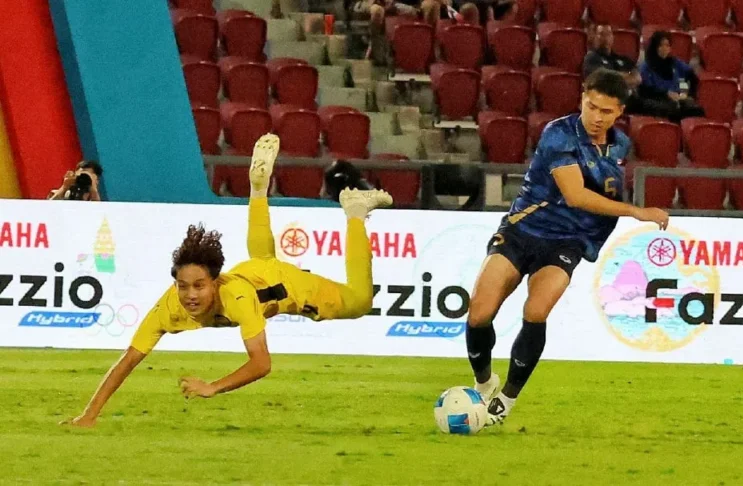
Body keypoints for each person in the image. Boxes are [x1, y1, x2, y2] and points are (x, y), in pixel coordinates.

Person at [62, 134, 393, 428]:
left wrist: (213, 387)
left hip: (290, 288)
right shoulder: (167, 308)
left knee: (360, 301)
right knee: (262, 256)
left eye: (199, 285)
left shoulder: (236, 298)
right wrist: (89, 414)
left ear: (215, 282)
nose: (190, 295)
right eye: (183, 286)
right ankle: (258, 190)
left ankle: (354, 213)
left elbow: (261, 364)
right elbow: (127, 362)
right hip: (258, 270)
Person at [465, 69, 670, 425]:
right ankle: (484, 384)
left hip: (566, 242)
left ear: (619, 112)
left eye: (606, 111)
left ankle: (507, 398)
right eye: (591, 106)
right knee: (479, 313)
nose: (596, 117)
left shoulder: (620, 146)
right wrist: (636, 211)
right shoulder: (558, 133)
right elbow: (575, 195)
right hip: (521, 230)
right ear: (582, 99)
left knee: (536, 310)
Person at [638, 30, 705, 123]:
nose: (665, 48)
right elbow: (645, 91)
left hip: (678, 101)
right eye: (661, 45)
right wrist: (666, 94)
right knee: (672, 111)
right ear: (654, 47)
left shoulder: (675, 63)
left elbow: (689, 77)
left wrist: (687, 94)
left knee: (698, 111)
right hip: (659, 102)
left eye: (667, 45)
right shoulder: (646, 67)